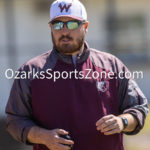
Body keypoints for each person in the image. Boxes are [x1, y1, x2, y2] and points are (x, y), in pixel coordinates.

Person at [5, 0, 149, 150]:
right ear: (51, 27)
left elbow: (138, 108)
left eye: (72, 24)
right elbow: (15, 119)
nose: (64, 32)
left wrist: (122, 122)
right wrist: (43, 136)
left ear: (85, 27)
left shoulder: (112, 66)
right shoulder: (31, 71)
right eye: (58, 25)